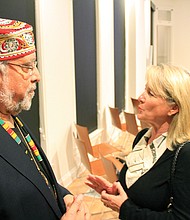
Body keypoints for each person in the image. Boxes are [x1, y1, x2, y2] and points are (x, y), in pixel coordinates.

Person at [0, 18, 90, 220]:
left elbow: (37, 181)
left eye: (35, 65)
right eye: (27, 67)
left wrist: (64, 197)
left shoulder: (12, 118)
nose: (37, 76)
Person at [86, 64, 190, 219]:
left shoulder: (184, 154)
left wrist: (125, 208)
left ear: (173, 108)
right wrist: (116, 192)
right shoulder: (142, 137)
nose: (141, 97)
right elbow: (143, 191)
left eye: (151, 93)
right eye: (145, 89)